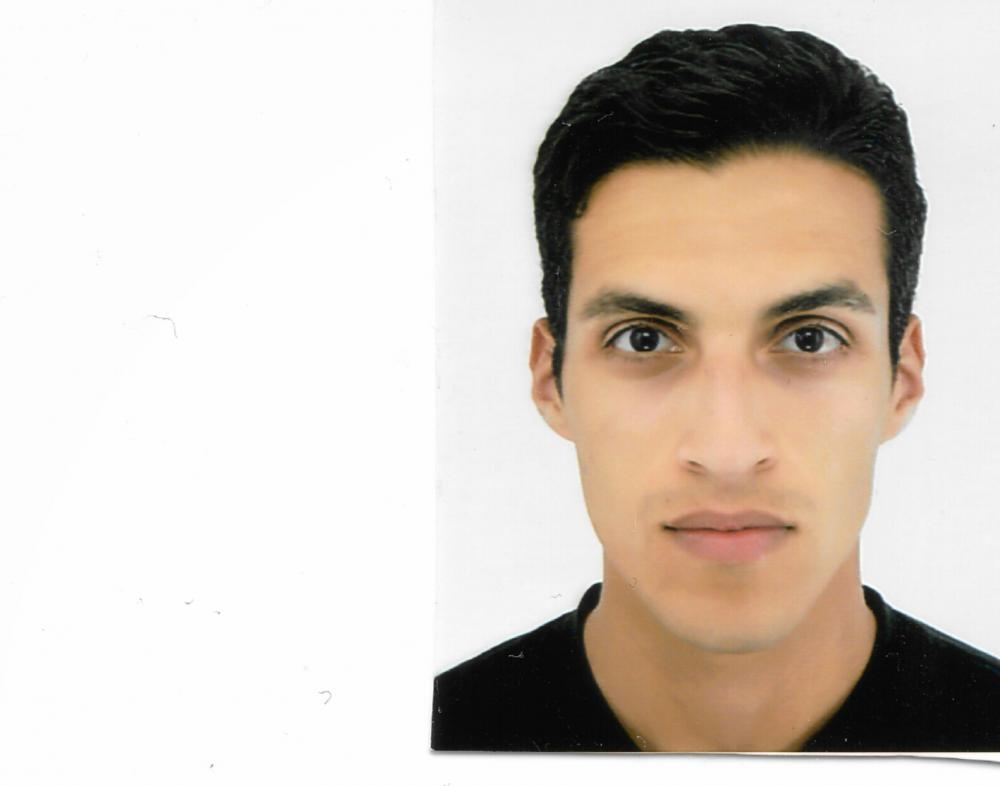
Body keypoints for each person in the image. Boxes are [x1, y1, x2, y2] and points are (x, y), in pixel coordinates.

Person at [431, 23, 1000, 753]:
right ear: (551, 377)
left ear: (902, 376)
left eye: (809, 338)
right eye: (643, 339)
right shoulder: (385, 748)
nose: (727, 452)